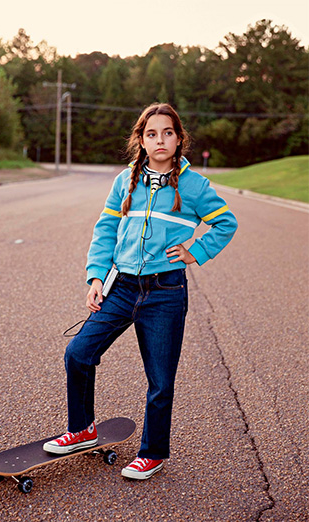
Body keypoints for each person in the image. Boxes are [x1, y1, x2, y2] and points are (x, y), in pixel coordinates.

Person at [43, 103, 238, 480]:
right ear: (142, 140)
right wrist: (97, 277)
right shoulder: (124, 181)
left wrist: (194, 252)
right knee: (78, 353)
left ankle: (153, 452)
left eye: (168, 133)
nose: (160, 140)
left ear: (179, 138)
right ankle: (82, 429)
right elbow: (104, 231)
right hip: (121, 286)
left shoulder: (194, 186)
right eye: (152, 134)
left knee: (160, 380)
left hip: (165, 292)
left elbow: (225, 223)